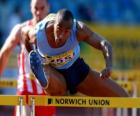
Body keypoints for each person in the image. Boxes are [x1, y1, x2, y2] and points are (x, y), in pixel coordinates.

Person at [29, 9, 129, 97]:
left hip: (77, 70)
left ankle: (48, 80)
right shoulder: (37, 34)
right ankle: (44, 79)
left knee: (123, 97)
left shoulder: (79, 30)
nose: (61, 36)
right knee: (50, 79)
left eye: (66, 31)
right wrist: (32, 54)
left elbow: (104, 44)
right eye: (59, 30)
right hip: (54, 72)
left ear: (71, 30)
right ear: (54, 25)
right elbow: (26, 38)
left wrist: (109, 66)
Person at [0, 0, 56, 116]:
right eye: (35, 8)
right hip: (25, 91)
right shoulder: (21, 29)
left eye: (42, 8)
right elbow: (4, 53)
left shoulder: (55, 32)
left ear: (48, 8)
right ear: (30, 8)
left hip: (47, 93)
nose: (38, 12)